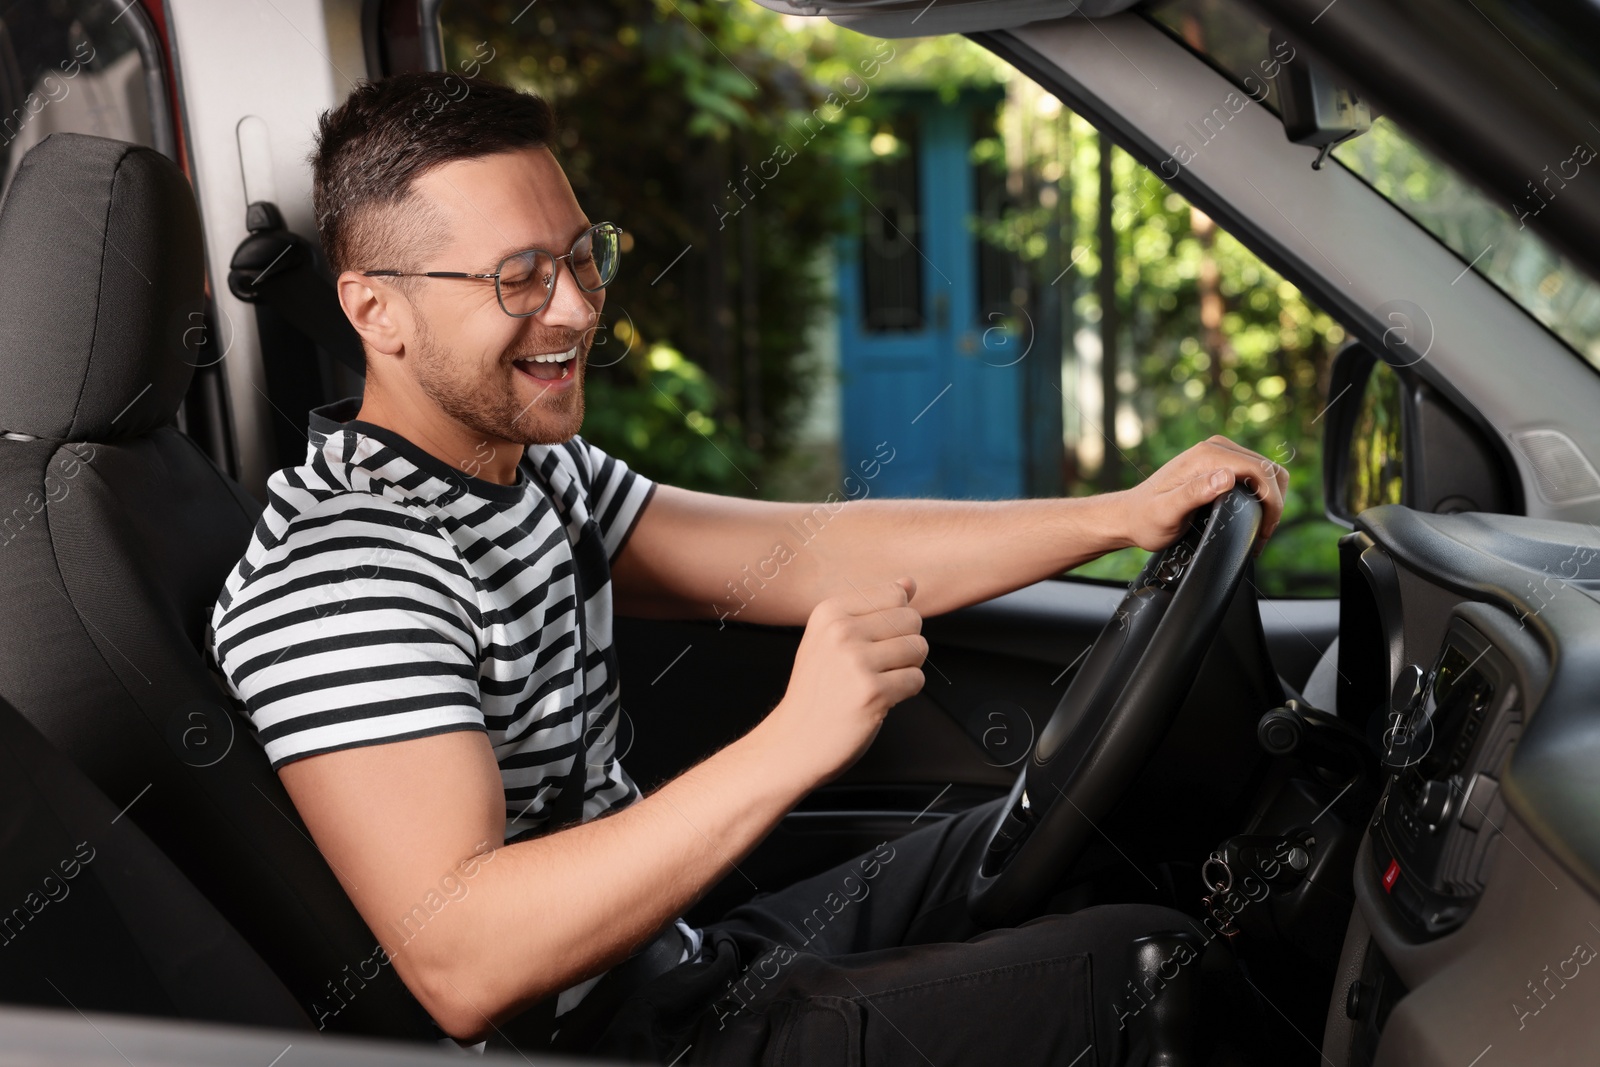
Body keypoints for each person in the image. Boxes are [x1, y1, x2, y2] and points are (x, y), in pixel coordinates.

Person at [208, 70, 1287, 1064]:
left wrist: (1119, 512)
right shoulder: (341, 569)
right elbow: (465, 961)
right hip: (606, 1045)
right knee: (1151, 975)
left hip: (673, 966)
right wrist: (791, 742)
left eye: (584, 255)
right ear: (374, 310)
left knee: (1091, 838)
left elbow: (801, 552)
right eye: (519, 277)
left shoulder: (534, 472)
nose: (580, 308)